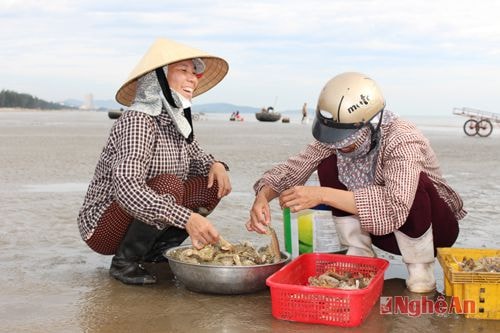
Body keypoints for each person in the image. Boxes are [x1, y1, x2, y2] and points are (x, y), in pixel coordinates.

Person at [247, 72, 466, 293]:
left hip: (433, 230)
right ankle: (359, 253)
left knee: (414, 180)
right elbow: (293, 168)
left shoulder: (402, 138)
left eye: (346, 141)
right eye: (335, 138)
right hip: (382, 231)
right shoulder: (336, 137)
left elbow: (395, 206)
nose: (340, 145)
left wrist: (321, 194)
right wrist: (262, 197)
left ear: (371, 124)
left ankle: (421, 269)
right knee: (328, 161)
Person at [77, 38, 231, 285]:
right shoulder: (139, 121)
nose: (192, 78)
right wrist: (187, 219)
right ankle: (124, 262)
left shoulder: (175, 121)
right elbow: (128, 189)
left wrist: (218, 165)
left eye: (194, 72)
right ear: (156, 79)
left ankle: (155, 253)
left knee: (211, 183)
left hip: (143, 216)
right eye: (183, 71)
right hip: (103, 226)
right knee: (169, 184)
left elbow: (198, 157)